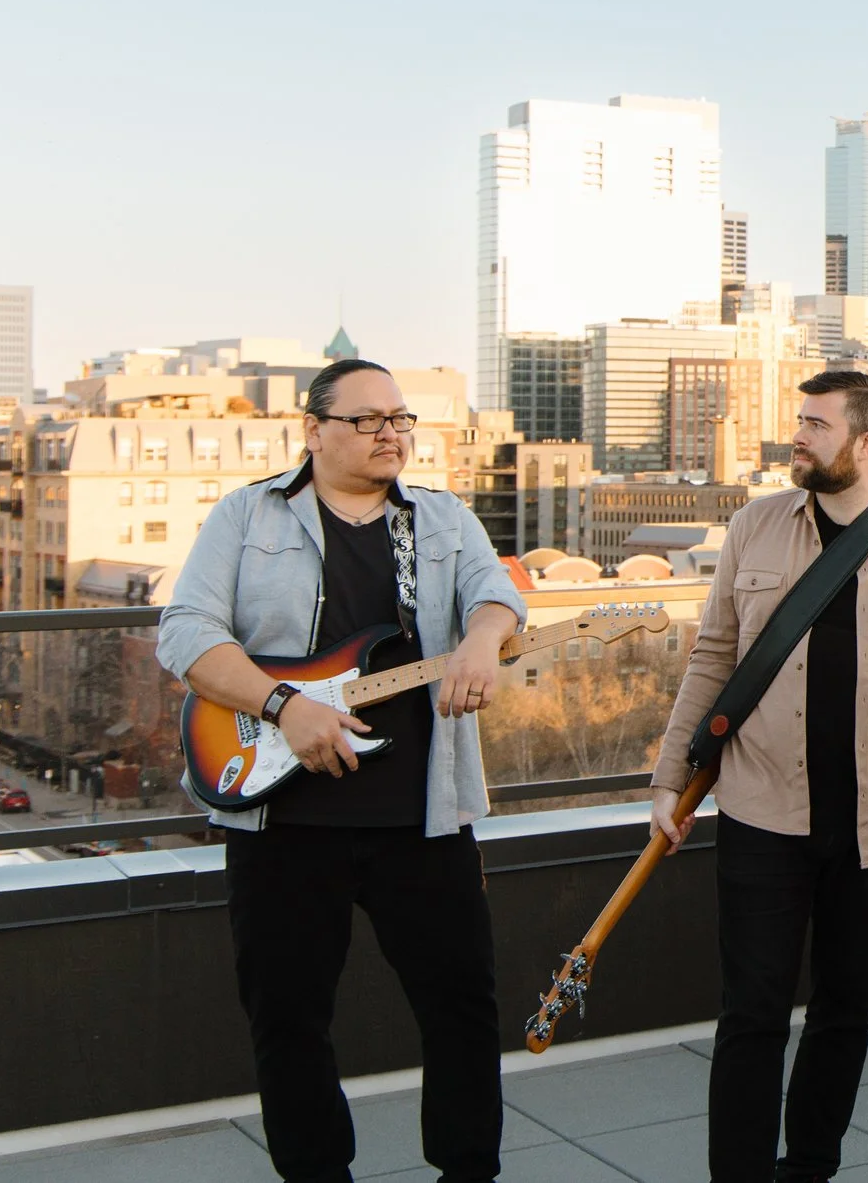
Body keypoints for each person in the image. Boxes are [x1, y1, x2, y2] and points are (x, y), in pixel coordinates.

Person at [156, 358, 524, 1183]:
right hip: (284, 823)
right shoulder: (245, 513)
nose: (390, 431)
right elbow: (184, 633)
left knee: (462, 1011)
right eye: (366, 419)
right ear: (312, 430)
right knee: (288, 1020)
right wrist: (286, 705)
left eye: (400, 417)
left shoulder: (442, 517)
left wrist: (478, 638)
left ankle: (470, 1171)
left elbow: (497, 596)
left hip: (423, 820)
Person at [648, 370, 868, 1183]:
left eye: (816, 424)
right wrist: (668, 774)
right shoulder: (754, 527)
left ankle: (811, 1168)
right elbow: (713, 658)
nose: (797, 436)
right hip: (762, 816)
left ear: (866, 442)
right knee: (751, 1014)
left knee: (844, 1010)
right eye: (798, 420)